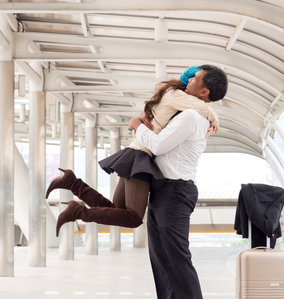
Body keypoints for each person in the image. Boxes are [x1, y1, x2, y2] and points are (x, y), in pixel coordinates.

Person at [47, 66, 219, 236]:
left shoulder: (171, 96)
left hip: (136, 153)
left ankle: (72, 183)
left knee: (116, 209)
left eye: (194, 79)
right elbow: (203, 108)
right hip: (141, 156)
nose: (190, 82)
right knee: (133, 218)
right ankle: (77, 211)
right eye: (192, 79)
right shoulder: (177, 96)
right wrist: (215, 121)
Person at [129, 65, 228, 299]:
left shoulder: (192, 117)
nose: (188, 79)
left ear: (204, 91)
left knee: (177, 257)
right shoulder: (184, 113)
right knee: (161, 257)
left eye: (195, 79)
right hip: (163, 189)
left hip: (176, 190)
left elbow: (159, 146)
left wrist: (138, 126)